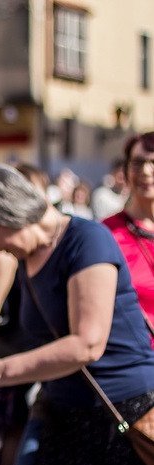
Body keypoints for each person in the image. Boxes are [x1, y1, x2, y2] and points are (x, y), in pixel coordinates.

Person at [0, 164, 154, 465]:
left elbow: (87, 345)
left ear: (9, 212)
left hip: (121, 416)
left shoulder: (86, 239)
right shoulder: (25, 257)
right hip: (63, 416)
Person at [103, 132, 154, 349]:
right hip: (138, 362)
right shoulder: (106, 233)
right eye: (137, 163)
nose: (145, 171)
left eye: (153, 162)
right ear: (125, 171)